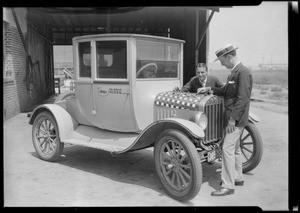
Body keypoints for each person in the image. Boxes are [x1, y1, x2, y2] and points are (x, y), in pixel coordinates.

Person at [198, 44, 253, 196]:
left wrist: (232, 120)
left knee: (226, 149)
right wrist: (210, 89)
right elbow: (225, 91)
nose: (221, 63)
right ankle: (237, 177)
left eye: (222, 60)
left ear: (229, 57)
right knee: (234, 149)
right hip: (233, 118)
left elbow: (243, 99)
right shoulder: (234, 72)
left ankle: (228, 186)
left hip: (235, 119)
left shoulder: (243, 72)